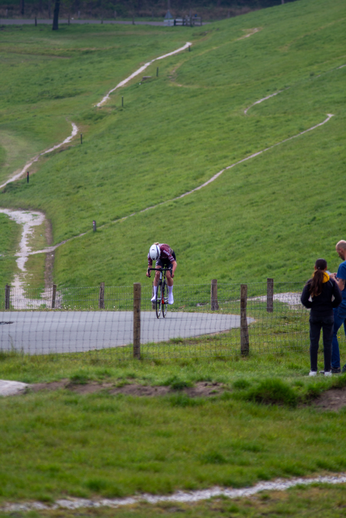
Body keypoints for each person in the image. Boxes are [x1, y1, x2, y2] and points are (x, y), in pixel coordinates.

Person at [301, 258, 341, 376]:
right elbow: (338, 298)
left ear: (314, 267)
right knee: (327, 342)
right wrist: (330, 305)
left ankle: (313, 370)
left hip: (315, 315)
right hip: (328, 315)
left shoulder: (310, 282)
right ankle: (328, 370)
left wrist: (311, 306)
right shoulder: (331, 282)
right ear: (326, 268)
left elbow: (303, 299)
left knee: (314, 342)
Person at [330, 240, 346, 373]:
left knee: (331, 332)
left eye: (337, 252)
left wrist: (333, 279)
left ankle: (335, 366)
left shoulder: (343, 265)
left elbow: (340, 287)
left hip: (343, 304)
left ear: (341, 250)